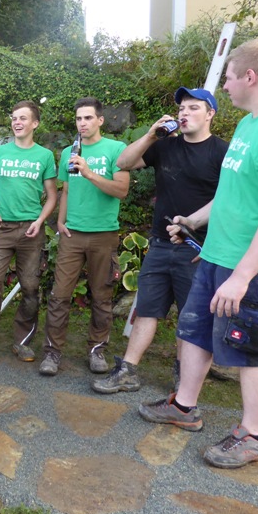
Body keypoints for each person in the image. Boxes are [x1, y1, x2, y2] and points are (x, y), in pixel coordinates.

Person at [138, 40, 258, 469]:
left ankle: (253, 435)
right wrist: (194, 221)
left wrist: (242, 276)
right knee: (195, 331)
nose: (226, 87)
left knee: (248, 346)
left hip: (252, 267)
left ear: (250, 77)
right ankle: (184, 406)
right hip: (218, 254)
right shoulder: (249, 124)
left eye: (230, 78)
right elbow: (231, 193)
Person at [92, 88, 228, 393]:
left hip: (198, 249)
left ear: (210, 114)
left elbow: (229, 199)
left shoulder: (222, 152)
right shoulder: (165, 146)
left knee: (190, 316)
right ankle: (128, 371)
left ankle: (184, 378)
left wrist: (208, 240)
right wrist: (151, 135)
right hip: (160, 243)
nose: (184, 113)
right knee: (147, 308)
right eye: (181, 108)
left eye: (193, 108)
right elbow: (123, 163)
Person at [39, 97, 129, 376]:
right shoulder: (69, 151)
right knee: (59, 295)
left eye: (88, 118)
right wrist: (60, 221)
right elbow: (66, 190)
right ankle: (52, 352)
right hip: (72, 235)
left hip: (103, 234)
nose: (82, 123)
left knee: (101, 296)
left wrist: (89, 173)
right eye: (79, 118)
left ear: (100, 120)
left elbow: (121, 190)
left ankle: (97, 350)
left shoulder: (116, 149)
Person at [0, 100, 57, 363]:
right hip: (1, 229)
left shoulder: (44, 156)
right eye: (14, 118)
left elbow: (52, 196)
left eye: (23, 118)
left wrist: (40, 220)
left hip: (31, 231)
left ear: (35, 123)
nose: (17, 122)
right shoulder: (0, 153)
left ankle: (22, 342)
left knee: (31, 289)